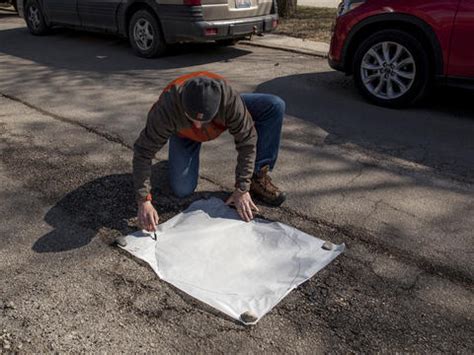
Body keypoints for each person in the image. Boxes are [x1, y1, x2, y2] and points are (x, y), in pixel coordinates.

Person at [133, 71, 286, 231]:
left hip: (224, 111)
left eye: (204, 120)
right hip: (184, 135)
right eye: (192, 118)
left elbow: (247, 142)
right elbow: (143, 152)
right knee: (182, 189)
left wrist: (242, 187)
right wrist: (144, 200)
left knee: (274, 105)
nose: (198, 126)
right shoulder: (166, 108)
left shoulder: (230, 102)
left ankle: (257, 175)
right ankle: (176, 158)